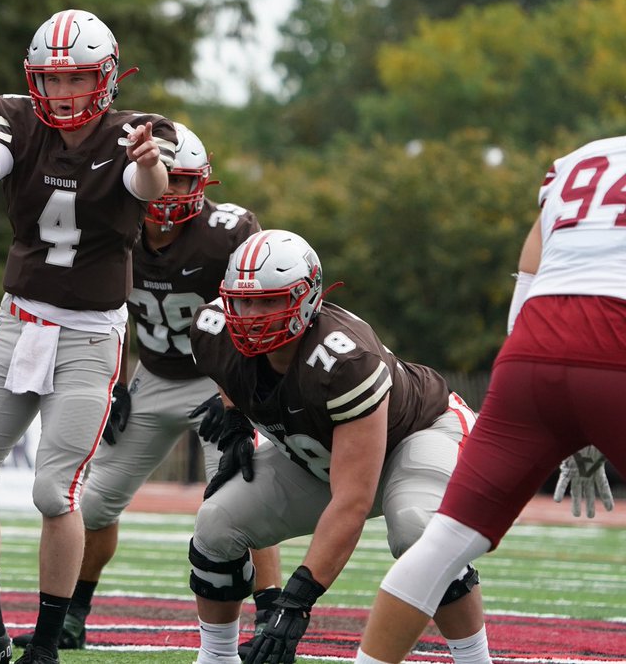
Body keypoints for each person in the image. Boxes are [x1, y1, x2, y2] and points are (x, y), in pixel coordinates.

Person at [0, 7, 177, 664]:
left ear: (105, 80)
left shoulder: (136, 134)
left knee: (54, 491)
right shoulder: (16, 117)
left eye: (77, 79)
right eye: (52, 79)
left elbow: (147, 186)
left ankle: (44, 645)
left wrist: (152, 166)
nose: (64, 92)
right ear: (33, 80)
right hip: (17, 321)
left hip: (89, 334)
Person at [10, 122, 282, 654]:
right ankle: (73, 614)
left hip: (217, 378)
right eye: (169, 180)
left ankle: (270, 613)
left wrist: (236, 397)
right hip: (153, 376)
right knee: (91, 506)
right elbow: (98, 305)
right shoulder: (114, 224)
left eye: (184, 182)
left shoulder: (227, 234)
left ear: (202, 185)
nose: (172, 194)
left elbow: (250, 318)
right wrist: (115, 376)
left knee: (243, 492)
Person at [354, 137, 626, 663]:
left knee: (440, 544)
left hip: (531, 354)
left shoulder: (578, 161)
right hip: (617, 342)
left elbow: (527, 282)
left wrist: (552, 403)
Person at [186, 229, 492, 664]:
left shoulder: (344, 361)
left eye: (270, 300)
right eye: (244, 300)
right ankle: (216, 658)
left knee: (415, 529)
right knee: (216, 523)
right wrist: (235, 417)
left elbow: (351, 501)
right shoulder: (213, 328)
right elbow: (227, 370)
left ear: (307, 297)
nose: (252, 314)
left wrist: (297, 600)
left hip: (420, 433)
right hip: (326, 454)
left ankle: (475, 660)